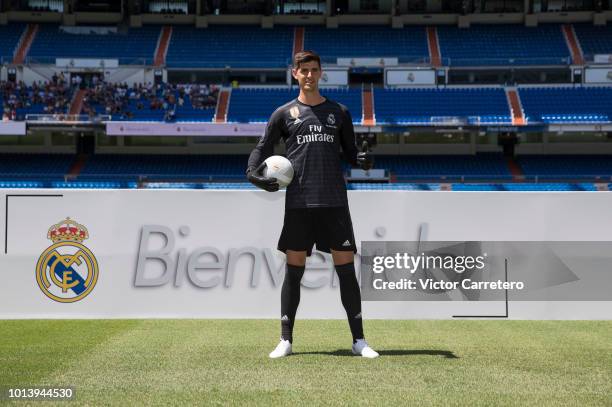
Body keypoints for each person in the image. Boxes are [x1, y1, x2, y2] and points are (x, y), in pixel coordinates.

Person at [246, 50, 379, 359]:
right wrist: (253, 174)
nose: (309, 75)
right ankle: (286, 340)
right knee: (294, 271)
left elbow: (350, 154)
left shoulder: (339, 112)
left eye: (314, 70)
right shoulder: (283, 114)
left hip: (334, 202)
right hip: (299, 203)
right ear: (295, 73)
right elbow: (262, 147)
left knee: (346, 271)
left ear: (321, 74)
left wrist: (363, 160)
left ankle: (359, 341)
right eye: (303, 70)